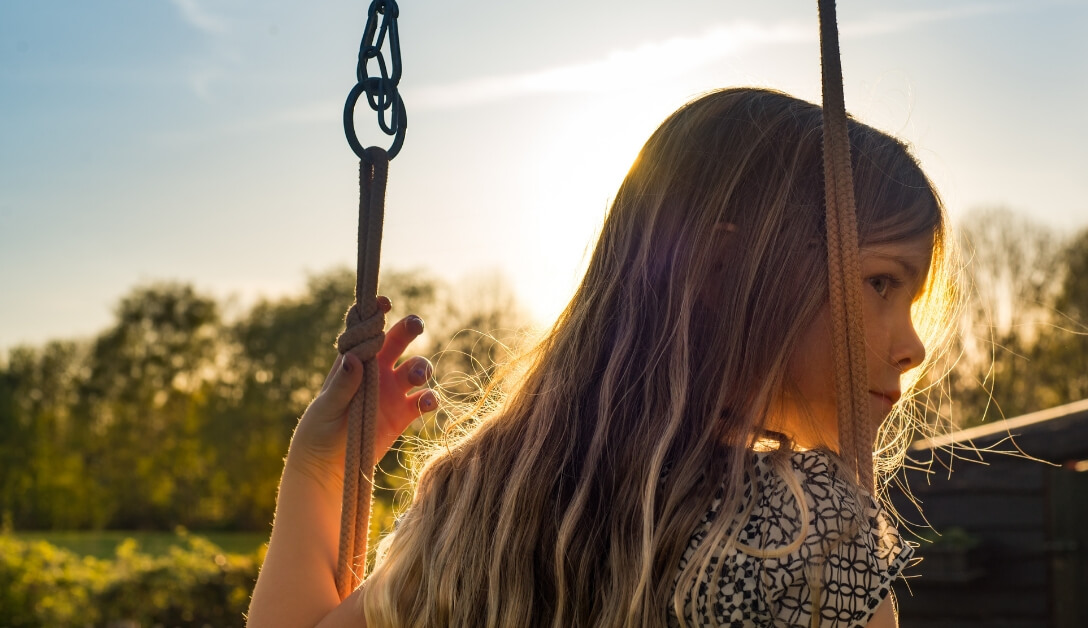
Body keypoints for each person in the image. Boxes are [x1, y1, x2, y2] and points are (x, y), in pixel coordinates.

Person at [247, 87, 957, 628]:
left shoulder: (479, 508)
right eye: (881, 284)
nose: (911, 345)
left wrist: (321, 468)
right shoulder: (806, 533)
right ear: (717, 268)